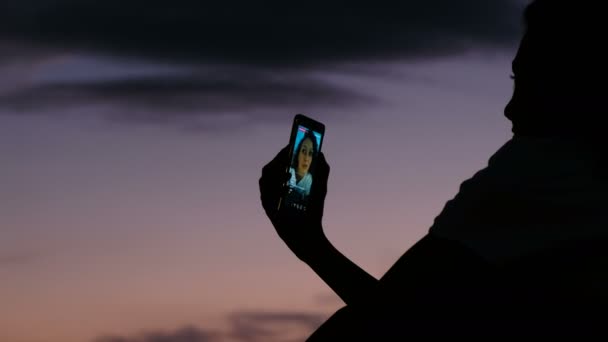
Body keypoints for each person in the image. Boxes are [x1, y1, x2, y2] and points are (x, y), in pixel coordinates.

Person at [259, 0, 607, 339]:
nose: (510, 108)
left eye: (531, 85)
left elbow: (393, 319)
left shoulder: (537, 171)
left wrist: (309, 243)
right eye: (516, 79)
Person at [288, 131, 317, 199]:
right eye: (304, 151)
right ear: (298, 153)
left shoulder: (309, 180)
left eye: (310, 153)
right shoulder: (289, 170)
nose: (306, 158)